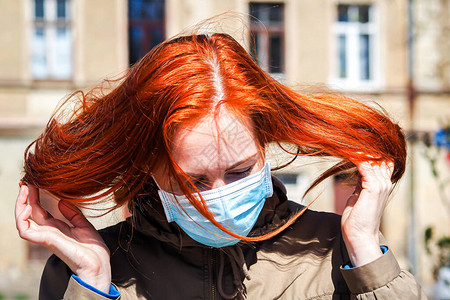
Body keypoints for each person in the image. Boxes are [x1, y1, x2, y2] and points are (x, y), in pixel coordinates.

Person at [15, 33, 427, 299]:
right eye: (192, 180)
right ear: (148, 167)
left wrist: (368, 256)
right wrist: (93, 282)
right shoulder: (88, 271)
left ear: (264, 147)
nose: (218, 199)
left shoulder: (336, 253)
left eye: (239, 171)